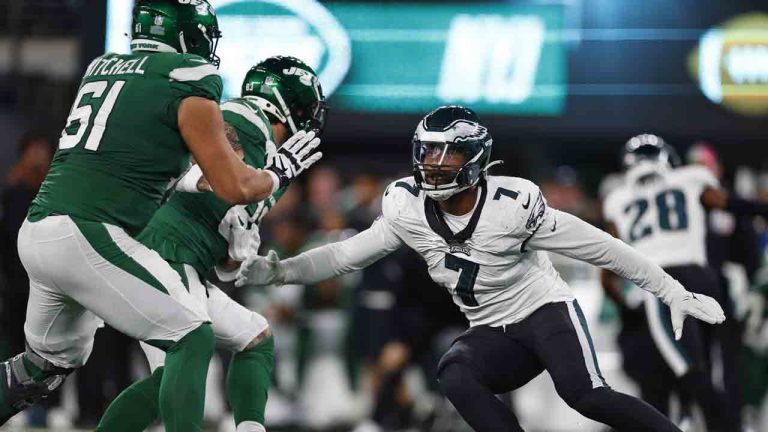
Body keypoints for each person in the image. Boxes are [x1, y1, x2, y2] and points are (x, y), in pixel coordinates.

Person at [236, 106, 725, 432]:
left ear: (473, 157)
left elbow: (601, 247)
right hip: (492, 327)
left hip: (543, 311)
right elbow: (344, 255)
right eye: (426, 150)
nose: (431, 162)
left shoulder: (512, 204)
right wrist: (278, 272)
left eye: (443, 151)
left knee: (586, 394)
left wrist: (669, 289)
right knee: (456, 373)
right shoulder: (407, 207)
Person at [0, 1, 321, 430]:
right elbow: (234, 185)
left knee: (41, 368)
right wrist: (275, 175)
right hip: (89, 232)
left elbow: (159, 163)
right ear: (187, 35)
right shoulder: (191, 76)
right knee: (191, 334)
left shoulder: (104, 65)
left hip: (41, 229)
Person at [95, 56, 326, 432]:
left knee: (254, 337)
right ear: (290, 107)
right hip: (165, 251)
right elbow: (204, 167)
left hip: (184, 258)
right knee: (174, 372)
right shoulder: (246, 119)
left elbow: (224, 255)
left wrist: (237, 249)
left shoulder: (272, 155)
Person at [602, 135, 768, 430]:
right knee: (713, 371)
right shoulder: (691, 178)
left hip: (660, 285)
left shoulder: (618, 199)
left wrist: (627, 309)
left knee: (689, 373)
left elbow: (607, 269)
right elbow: (730, 204)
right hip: (703, 281)